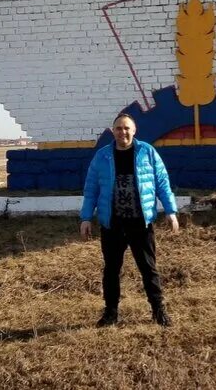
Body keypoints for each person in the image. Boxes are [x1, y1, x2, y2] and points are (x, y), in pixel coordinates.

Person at [79, 113, 179, 327]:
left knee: (148, 268)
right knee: (111, 269)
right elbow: (91, 189)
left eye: (126, 128)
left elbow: (162, 182)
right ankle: (110, 313)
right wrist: (86, 217)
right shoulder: (102, 157)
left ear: (134, 131)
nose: (122, 132)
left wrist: (170, 211)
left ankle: (158, 310)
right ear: (112, 131)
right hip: (112, 224)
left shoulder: (147, 152)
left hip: (140, 224)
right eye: (118, 128)